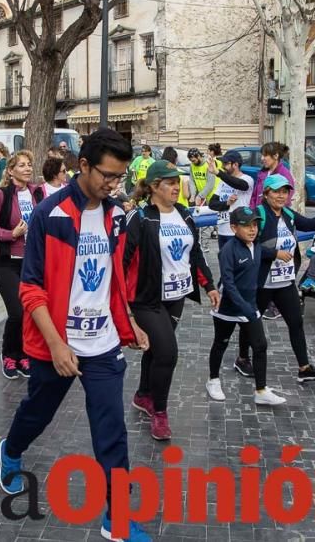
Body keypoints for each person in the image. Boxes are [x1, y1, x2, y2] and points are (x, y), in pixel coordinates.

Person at [0, 127, 152, 542]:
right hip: (56, 344)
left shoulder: (116, 215)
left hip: (102, 343)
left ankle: (116, 516)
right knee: (38, 413)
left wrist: (128, 321)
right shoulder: (50, 214)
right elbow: (31, 288)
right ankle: (11, 450)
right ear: (82, 166)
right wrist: (55, 343)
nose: (113, 184)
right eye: (107, 175)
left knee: (111, 429)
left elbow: (112, 277)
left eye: (119, 177)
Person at [124, 160, 219, 440]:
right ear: (154, 187)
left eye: (178, 182)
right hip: (147, 299)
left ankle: (143, 395)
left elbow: (195, 253)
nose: (177, 188)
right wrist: (123, 306)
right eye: (169, 183)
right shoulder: (141, 218)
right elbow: (121, 260)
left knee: (154, 350)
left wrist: (209, 285)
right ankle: (160, 412)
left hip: (176, 296)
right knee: (168, 353)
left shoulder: (184, 214)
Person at [248, 175, 315, 383]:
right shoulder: (258, 215)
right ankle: (242, 358)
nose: (281, 195)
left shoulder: (288, 214)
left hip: (285, 282)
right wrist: (274, 253)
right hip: (262, 282)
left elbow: (311, 224)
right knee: (251, 321)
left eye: (285, 192)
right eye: (276, 191)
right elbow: (249, 245)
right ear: (266, 193)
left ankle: (304, 368)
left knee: (296, 323)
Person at [206, 207, 287, 405]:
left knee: (260, 345)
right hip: (228, 307)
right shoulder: (228, 250)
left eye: (254, 225)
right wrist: (245, 307)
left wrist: (278, 253)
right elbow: (228, 282)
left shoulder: (255, 245)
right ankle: (213, 380)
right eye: (246, 225)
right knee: (221, 343)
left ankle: (261, 390)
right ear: (234, 228)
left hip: (249, 306)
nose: (252, 229)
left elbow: (264, 252)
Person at [0, 150, 38, 379]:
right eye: (22, 165)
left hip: (31, 262)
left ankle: (24, 355)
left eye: (29, 165)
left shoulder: (37, 193)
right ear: (11, 170)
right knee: (16, 311)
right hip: (7, 262)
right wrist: (11, 234)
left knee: (29, 311)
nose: (27, 169)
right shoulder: (1, 195)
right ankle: (9, 354)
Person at [207, 151, 255, 257]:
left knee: (237, 265)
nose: (223, 166)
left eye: (226, 164)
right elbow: (212, 204)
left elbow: (240, 184)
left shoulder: (247, 179)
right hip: (222, 230)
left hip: (237, 232)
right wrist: (226, 203)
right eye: (222, 164)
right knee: (224, 264)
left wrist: (218, 173)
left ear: (236, 164)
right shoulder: (223, 182)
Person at [251, 142, 296, 209]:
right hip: (259, 214)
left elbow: (286, 200)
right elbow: (254, 196)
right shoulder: (263, 173)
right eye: (262, 155)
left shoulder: (284, 174)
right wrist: (253, 211)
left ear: (275, 156)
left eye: (265, 155)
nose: (262, 158)